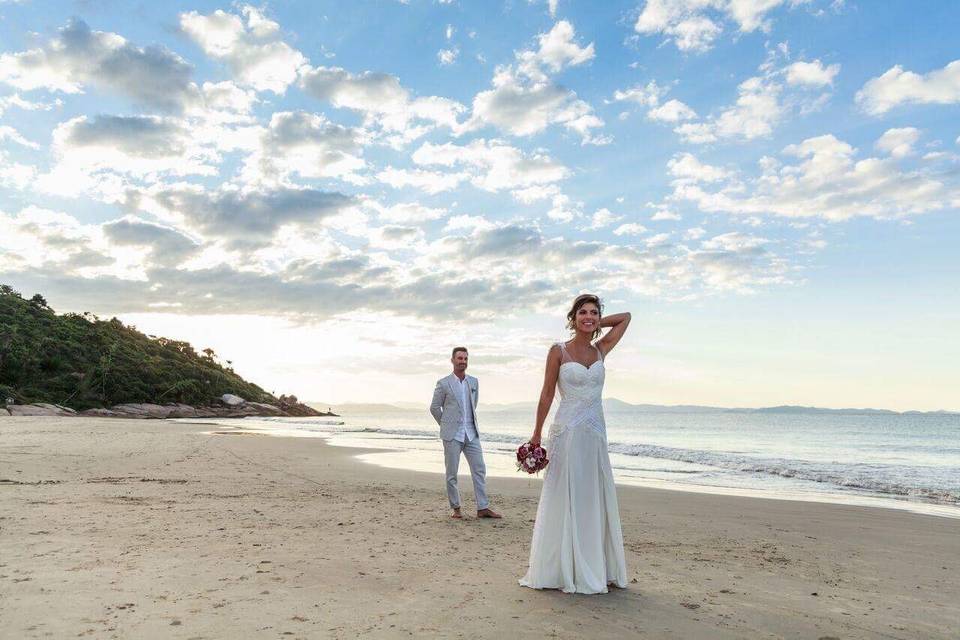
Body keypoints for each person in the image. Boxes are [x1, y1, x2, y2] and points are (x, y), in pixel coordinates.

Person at [519, 294, 631, 594]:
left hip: (595, 432)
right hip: (567, 430)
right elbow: (546, 394)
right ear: (572, 317)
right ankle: (562, 567)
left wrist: (595, 326)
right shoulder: (558, 351)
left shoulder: (601, 349)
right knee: (566, 493)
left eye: (594, 313)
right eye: (582, 313)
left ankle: (594, 565)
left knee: (592, 493)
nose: (589, 317)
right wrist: (536, 433)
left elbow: (626, 317)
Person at [429, 347, 501, 520]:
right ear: (452, 360)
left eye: (465, 358)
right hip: (452, 434)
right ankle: (456, 508)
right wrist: (446, 425)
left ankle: (482, 508)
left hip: (471, 433)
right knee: (452, 473)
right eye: (460, 358)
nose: (463, 361)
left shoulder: (473, 382)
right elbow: (434, 408)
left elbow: (472, 405)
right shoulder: (444, 383)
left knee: (479, 469)